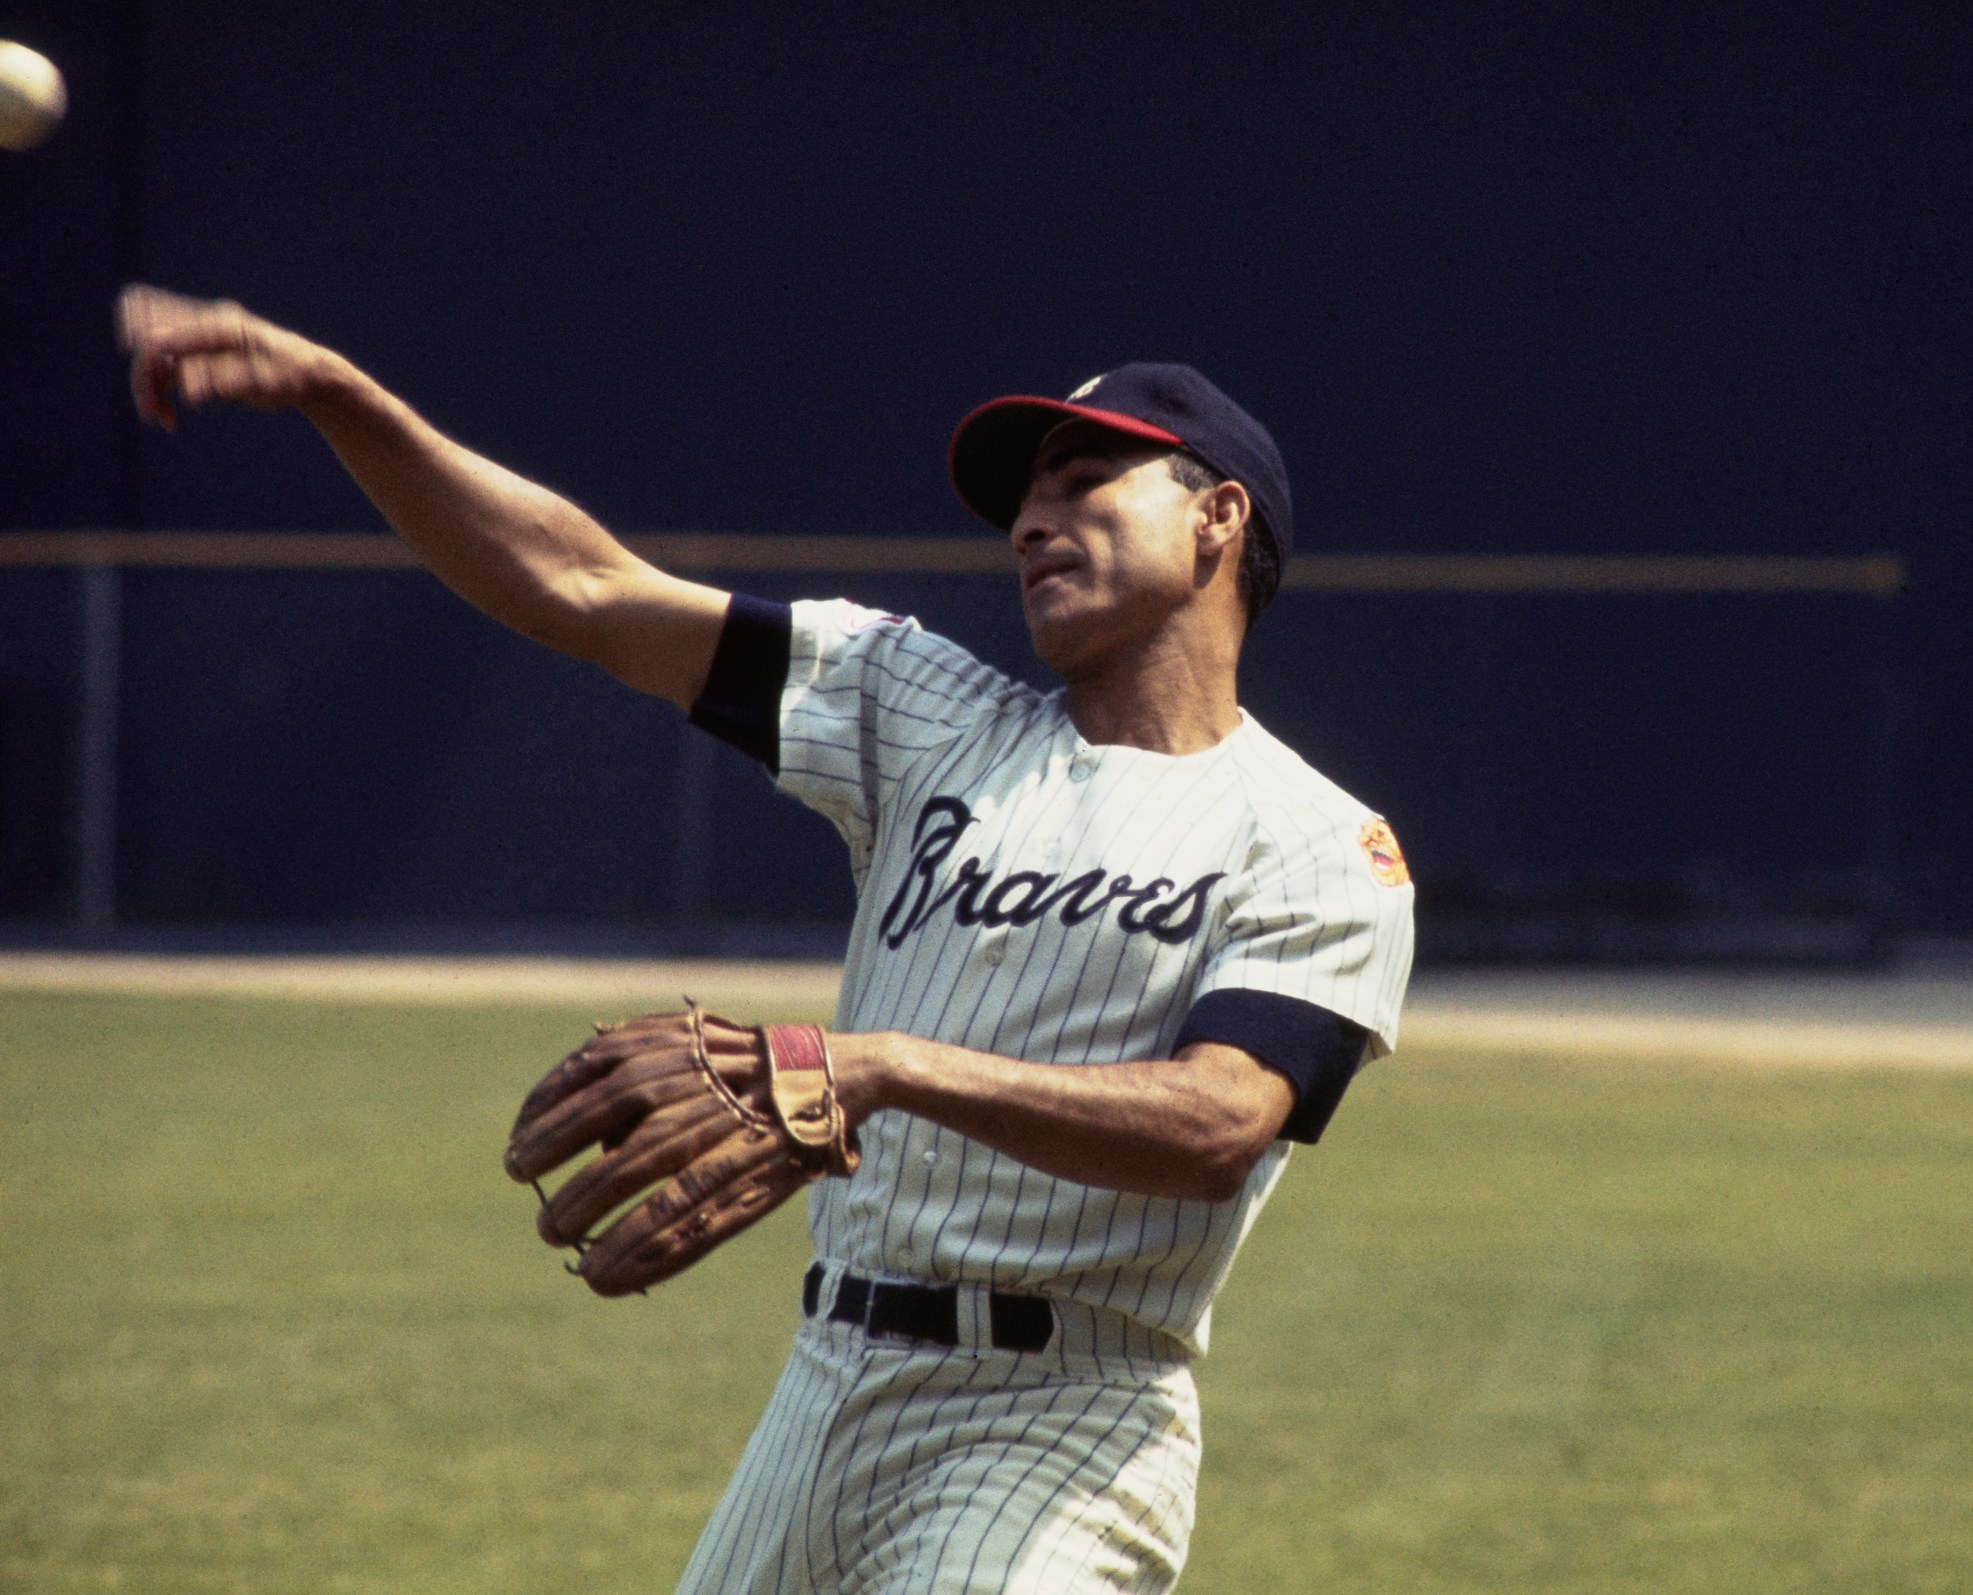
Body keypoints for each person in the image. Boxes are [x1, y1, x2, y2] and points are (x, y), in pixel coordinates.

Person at [117, 284, 1416, 1594]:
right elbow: (581, 585)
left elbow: (1215, 1127)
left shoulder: (1315, 842)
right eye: (1022, 501)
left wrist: (884, 1066)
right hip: (822, 1397)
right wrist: (344, 398)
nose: (1031, 522)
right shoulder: (917, 711)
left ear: (1218, 516)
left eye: (1084, 481)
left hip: (1062, 1427)